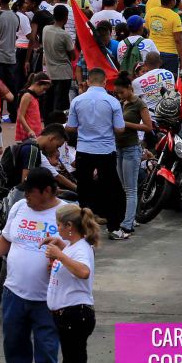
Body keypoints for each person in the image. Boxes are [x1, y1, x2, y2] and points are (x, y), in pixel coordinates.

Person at [0, 167, 66, 363]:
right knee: (14, 347)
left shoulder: (68, 213)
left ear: (46, 191)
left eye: (30, 192)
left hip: (49, 300)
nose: (26, 196)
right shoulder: (19, 207)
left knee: (46, 351)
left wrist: (60, 262)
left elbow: (80, 255)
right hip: (14, 294)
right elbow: (6, 238)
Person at [65, 67, 126, 238]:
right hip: (105, 150)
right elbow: (120, 129)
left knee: (84, 189)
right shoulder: (112, 101)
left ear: (88, 81)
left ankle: (83, 230)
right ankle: (114, 228)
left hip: (84, 149)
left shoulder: (77, 101)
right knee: (112, 188)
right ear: (105, 81)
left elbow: (70, 127)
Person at [43, 204, 99, 363]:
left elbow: (83, 272)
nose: (56, 228)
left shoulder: (80, 248)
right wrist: (61, 247)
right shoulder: (73, 245)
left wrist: (60, 255)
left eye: (58, 225)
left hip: (74, 316)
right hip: (69, 317)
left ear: (69, 226)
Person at [113, 71, 152, 238]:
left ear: (130, 88)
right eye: (117, 93)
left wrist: (125, 123)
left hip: (131, 149)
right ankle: (130, 218)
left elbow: (148, 127)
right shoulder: (123, 103)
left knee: (130, 188)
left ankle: (127, 225)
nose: (120, 95)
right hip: (119, 148)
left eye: (121, 92)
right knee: (124, 187)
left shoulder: (139, 104)